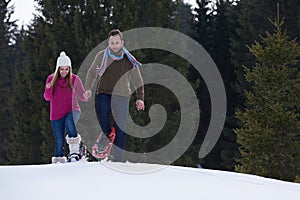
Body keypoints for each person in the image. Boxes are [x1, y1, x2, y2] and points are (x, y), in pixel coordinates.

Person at [84, 29, 145, 162]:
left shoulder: (129, 59)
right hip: (104, 92)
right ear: (109, 43)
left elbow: (138, 80)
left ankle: (119, 159)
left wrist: (140, 98)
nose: (115, 45)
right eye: (112, 43)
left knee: (121, 126)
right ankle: (106, 134)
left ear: (122, 43)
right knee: (103, 114)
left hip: (122, 95)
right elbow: (91, 73)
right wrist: (88, 88)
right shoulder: (101, 56)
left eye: (117, 42)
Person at [44, 51, 89, 163]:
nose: (64, 71)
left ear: (70, 69)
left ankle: (75, 152)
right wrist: (48, 88)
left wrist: (86, 95)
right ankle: (59, 161)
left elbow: (82, 96)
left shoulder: (74, 79)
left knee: (70, 122)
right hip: (56, 114)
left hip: (73, 109)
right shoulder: (51, 79)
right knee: (59, 140)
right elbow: (47, 97)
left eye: (66, 69)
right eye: (61, 69)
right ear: (57, 69)